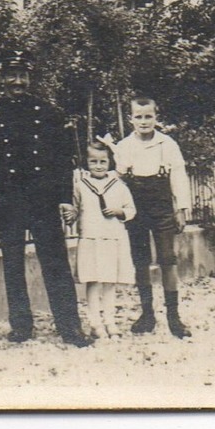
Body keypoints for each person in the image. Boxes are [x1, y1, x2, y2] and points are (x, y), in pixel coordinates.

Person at [0, 50, 91, 347]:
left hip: (43, 199)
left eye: (23, 75)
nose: (17, 81)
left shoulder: (47, 112)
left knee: (56, 264)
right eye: (12, 75)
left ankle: (69, 327)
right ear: (2, 78)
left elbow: (62, 159)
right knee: (12, 265)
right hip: (8, 201)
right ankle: (21, 327)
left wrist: (65, 197)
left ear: (30, 78)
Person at [114, 98, 193, 337]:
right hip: (136, 209)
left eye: (148, 116)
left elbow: (178, 176)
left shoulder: (167, 144)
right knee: (140, 261)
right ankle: (147, 315)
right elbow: (117, 180)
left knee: (168, 259)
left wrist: (181, 209)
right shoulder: (124, 146)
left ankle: (174, 317)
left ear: (156, 118)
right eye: (138, 116)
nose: (144, 121)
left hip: (161, 207)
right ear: (131, 120)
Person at [71, 137, 136, 339]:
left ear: (109, 162)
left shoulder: (118, 185)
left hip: (112, 239)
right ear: (86, 162)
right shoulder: (80, 185)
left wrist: (119, 211)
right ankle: (95, 323)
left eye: (102, 161)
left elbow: (131, 210)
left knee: (110, 282)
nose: (98, 166)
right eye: (93, 161)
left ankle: (110, 321)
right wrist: (70, 215)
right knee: (93, 281)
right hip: (91, 238)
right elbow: (74, 209)